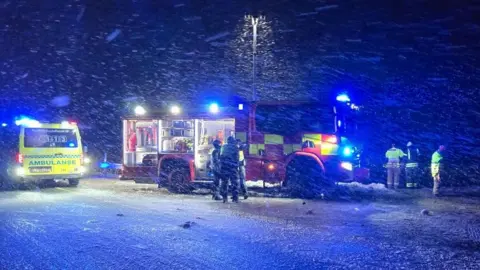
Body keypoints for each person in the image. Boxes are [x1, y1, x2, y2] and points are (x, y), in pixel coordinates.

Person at [220, 136, 239, 203]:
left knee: (225, 183)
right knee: (234, 183)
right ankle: (235, 198)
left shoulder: (224, 147)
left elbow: (221, 156)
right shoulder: (235, 147)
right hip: (232, 167)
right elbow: (237, 158)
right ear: (233, 141)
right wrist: (236, 166)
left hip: (225, 167)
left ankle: (225, 198)